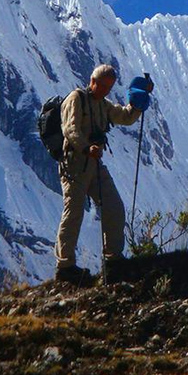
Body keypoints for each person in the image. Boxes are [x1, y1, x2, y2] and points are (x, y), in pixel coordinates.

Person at [54, 64, 153, 284]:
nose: (105, 91)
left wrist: (138, 102)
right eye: (103, 86)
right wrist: (86, 147)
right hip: (74, 164)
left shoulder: (103, 104)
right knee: (74, 213)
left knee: (114, 207)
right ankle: (65, 267)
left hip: (93, 164)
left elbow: (125, 117)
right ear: (93, 81)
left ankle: (113, 261)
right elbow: (69, 130)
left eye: (109, 87)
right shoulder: (76, 99)